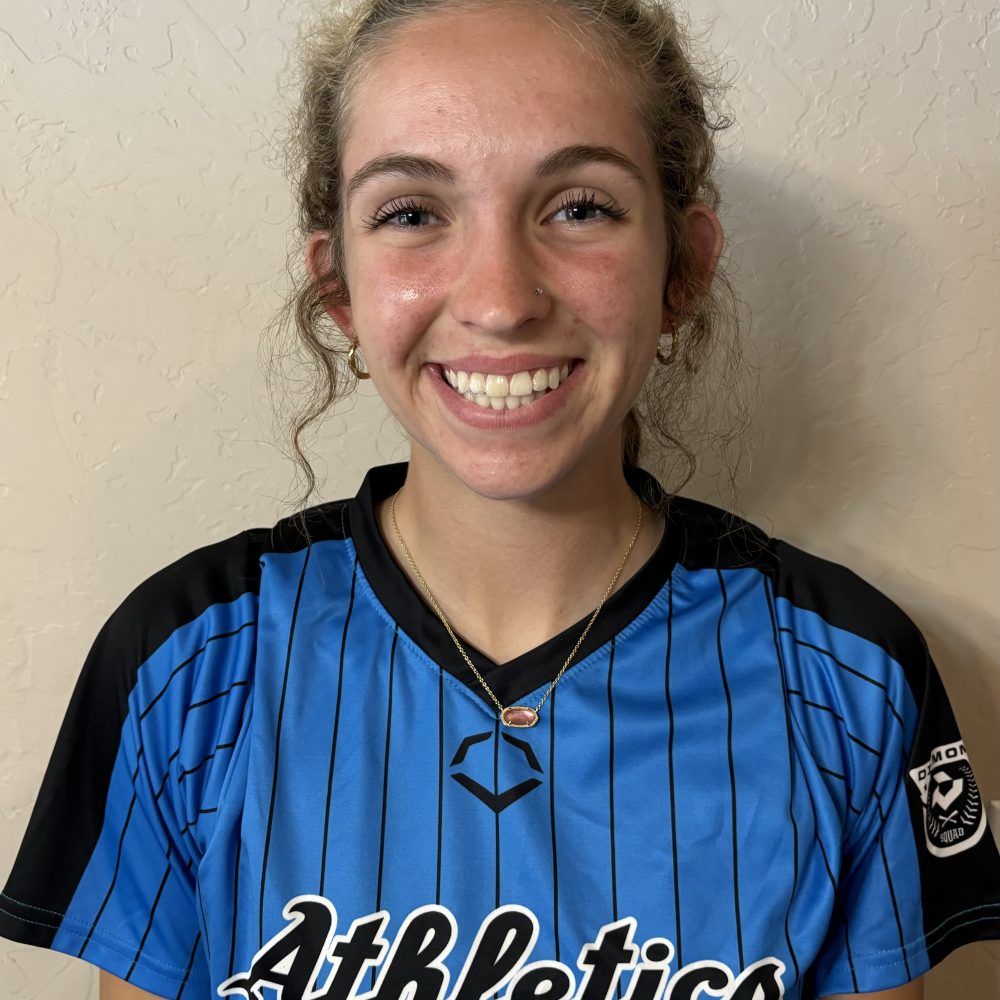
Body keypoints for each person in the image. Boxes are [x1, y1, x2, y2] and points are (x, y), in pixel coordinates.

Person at [1, 0, 998, 998]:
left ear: (683, 268)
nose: (499, 300)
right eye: (412, 214)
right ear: (340, 288)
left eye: (579, 207)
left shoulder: (849, 677)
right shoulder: (188, 662)